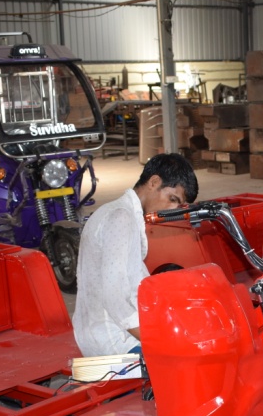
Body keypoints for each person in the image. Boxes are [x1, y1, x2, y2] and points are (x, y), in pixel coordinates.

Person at [72, 152, 199, 358]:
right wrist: (159, 342)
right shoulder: (121, 218)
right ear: (154, 182)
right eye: (172, 199)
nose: (172, 209)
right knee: (186, 358)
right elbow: (116, 299)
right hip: (114, 340)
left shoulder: (116, 211)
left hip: (108, 331)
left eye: (178, 204)